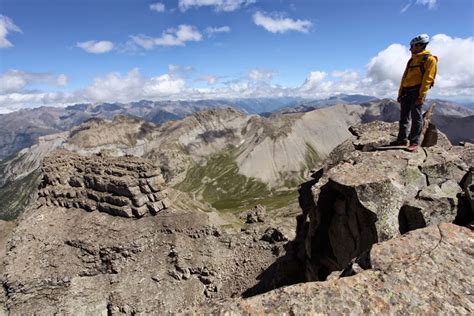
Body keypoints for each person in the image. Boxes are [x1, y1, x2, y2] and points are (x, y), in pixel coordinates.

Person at [391, 34, 438, 152]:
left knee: (416, 118)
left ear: (420, 45)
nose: (410, 49)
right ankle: (401, 139)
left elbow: (428, 79)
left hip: (417, 92)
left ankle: (414, 143)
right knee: (404, 117)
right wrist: (400, 92)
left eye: (412, 46)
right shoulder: (412, 60)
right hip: (406, 92)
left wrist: (421, 95)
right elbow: (404, 77)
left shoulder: (429, 59)